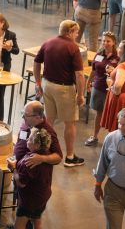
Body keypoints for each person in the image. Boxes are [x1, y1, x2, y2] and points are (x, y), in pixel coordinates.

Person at [33, 20, 86, 167]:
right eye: (76, 32)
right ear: (69, 32)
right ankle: (69, 156)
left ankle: (45, 149)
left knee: (49, 120)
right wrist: (80, 95)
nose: (77, 35)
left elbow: (36, 63)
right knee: (70, 123)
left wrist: (38, 83)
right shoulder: (73, 48)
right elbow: (79, 75)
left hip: (47, 85)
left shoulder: (48, 43)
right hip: (64, 89)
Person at [8, 101, 63, 229]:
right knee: (29, 213)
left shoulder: (48, 132)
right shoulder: (28, 123)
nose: (23, 117)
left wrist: (42, 158)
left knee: (30, 217)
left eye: (26, 115)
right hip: (23, 172)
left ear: (38, 117)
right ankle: (22, 223)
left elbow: (59, 156)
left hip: (31, 182)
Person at [13, 128, 54, 229]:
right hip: (42, 196)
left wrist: (14, 169)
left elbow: (21, 183)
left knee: (19, 226)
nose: (27, 140)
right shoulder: (46, 156)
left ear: (36, 145)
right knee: (37, 221)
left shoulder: (30, 162)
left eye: (30, 139)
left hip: (30, 201)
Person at [85, 31, 120, 147]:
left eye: (108, 41)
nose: (105, 43)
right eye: (103, 40)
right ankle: (95, 136)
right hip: (99, 87)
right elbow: (93, 70)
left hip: (112, 90)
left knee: (112, 114)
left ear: (114, 42)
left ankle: (113, 139)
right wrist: (88, 82)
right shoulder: (99, 54)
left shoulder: (118, 57)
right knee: (99, 112)